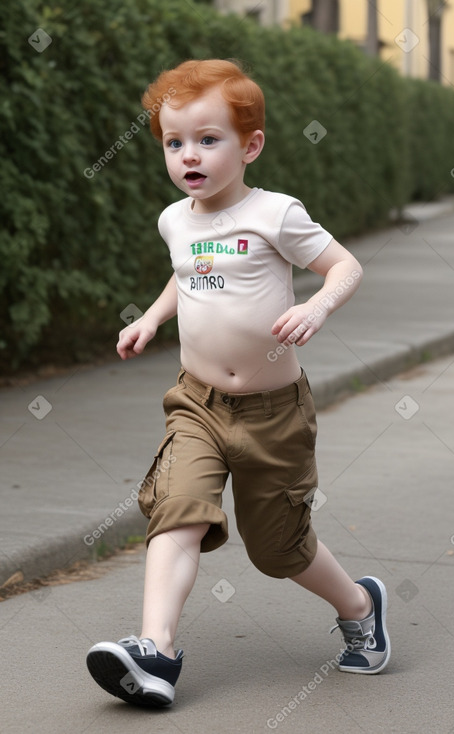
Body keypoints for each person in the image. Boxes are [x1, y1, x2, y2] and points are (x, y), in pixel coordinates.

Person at [86, 59, 390, 707]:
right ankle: (155, 652)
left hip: (273, 413)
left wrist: (315, 306)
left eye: (207, 139)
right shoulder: (176, 219)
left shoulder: (275, 214)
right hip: (195, 404)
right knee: (176, 511)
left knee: (277, 550)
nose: (187, 155)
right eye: (173, 142)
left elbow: (343, 266)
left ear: (249, 146)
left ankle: (360, 606)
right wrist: (151, 316)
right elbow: (183, 270)